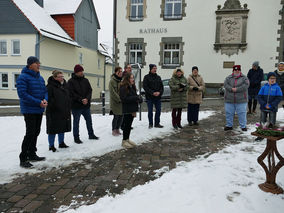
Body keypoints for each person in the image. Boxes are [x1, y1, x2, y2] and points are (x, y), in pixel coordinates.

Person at [16, 56, 47, 168]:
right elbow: (22, 94)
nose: (39, 65)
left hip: (39, 109)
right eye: (36, 63)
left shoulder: (40, 78)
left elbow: (45, 91)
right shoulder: (22, 77)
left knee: (36, 132)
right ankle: (23, 158)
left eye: (39, 63)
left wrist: (44, 100)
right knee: (30, 133)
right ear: (30, 65)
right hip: (29, 110)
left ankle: (32, 154)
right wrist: (38, 102)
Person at [68, 64, 99, 144]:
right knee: (76, 122)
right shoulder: (71, 82)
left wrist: (87, 99)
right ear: (76, 72)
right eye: (80, 71)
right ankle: (76, 137)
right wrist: (81, 99)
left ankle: (91, 134)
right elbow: (71, 93)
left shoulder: (85, 80)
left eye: (82, 71)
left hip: (86, 105)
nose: (82, 72)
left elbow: (90, 90)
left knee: (89, 121)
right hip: (76, 106)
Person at [46, 70, 71, 152]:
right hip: (54, 111)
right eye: (59, 77)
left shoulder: (65, 85)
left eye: (62, 76)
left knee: (62, 127)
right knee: (52, 129)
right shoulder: (50, 86)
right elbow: (49, 99)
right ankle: (51, 145)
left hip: (64, 110)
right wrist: (56, 105)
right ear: (55, 77)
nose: (61, 78)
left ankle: (61, 143)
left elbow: (68, 96)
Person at [256, 72, 283, 141]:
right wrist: (264, 104)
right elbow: (259, 96)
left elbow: (279, 98)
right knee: (262, 121)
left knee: (272, 122)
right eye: (271, 78)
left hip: (273, 108)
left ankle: (271, 135)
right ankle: (261, 135)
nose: (272, 80)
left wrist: (271, 105)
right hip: (263, 108)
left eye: (274, 78)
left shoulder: (277, 87)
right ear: (268, 79)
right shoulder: (264, 87)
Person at [119, 73, 142, 148]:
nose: (133, 79)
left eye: (133, 78)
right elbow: (124, 99)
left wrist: (139, 99)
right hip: (127, 109)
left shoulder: (132, 86)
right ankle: (124, 141)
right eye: (131, 78)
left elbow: (135, 96)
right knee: (126, 125)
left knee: (129, 125)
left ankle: (127, 139)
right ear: (127, 79)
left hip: (132, 108)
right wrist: (135, 98)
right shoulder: (124, 87)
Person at [224, 65, 249, 131]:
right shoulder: (228, 78)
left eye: (238, 70)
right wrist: (231, 89)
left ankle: (243, 126)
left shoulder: (244, 78)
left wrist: (237, 89)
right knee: (229, 113)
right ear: (233, 71)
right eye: (235, 70)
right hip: (229, 99)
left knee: (242, 113)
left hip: (241, 100)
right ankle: (229, 125)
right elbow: (225, 85)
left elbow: (246, 85)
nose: (237, 71)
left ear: (240, 70)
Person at [143, 64, 164, 128]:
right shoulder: (146, 77)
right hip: (150, 97)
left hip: (158, 97)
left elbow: (161, 87)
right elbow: (145, 87)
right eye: (154, 68)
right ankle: (151, 123)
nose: (155, 69)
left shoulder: (158, 77)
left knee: (158, 110)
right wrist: (152, 93)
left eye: (156, 68)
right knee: (150, 111)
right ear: (150, 69)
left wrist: (159, 92)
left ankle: (157, 123)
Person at [109, 67, 123, 136]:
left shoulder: (121, 80)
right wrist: (119, 98)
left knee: (121, 116)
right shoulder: (112, 81)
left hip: (121, 102)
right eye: (119, 71)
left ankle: (117, 128)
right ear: (116, 72)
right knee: (116, 116)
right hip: (115, 102)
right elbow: (112, 92)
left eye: (121, 71)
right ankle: (114, 129)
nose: (121, 72)